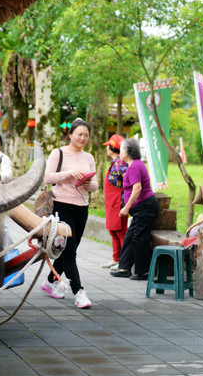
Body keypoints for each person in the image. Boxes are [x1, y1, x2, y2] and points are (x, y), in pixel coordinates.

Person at [40, 118, 98, 309]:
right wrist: (68, 174)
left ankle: (50, 281)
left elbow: (96, 186)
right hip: (62, 205)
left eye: (86, 135)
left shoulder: (89, 157)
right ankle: (79, 293)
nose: (83, 138)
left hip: (82, 207)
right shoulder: (58, 153)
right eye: (79, 134)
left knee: (69, 250)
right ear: (71, 134)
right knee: (70, 250)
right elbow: (47, 177)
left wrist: (89, 183)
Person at [110, 137, 159, 280]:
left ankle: (143, 272)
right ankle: (124, 268)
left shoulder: (135, 166)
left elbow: (137, 188)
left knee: (140, 238)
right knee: (130, 237)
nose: (120, 152)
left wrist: (126, 207)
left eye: (121, 149)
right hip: (141, 208)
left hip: (145, 206)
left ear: (127, 151)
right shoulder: (135, 165)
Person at [101, 134, 128, 270]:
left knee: (121, 231)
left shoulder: (120, 164)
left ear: (112, 148)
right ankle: (116, 258)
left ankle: (123, 262)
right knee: (113, 230)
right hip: (112, 202)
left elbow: (128, 181)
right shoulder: (115, 163)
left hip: (119, 202)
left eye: (108, 146)